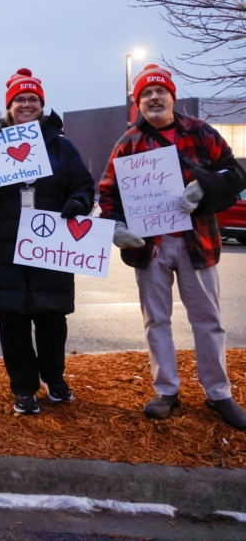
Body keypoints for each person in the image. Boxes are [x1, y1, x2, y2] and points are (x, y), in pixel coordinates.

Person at [99, 64, 246, 430]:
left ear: (171, 95)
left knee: (208, 321)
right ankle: (166, 390)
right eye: (145, 94)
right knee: (156, 321)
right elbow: (107, 193)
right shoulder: (128, 143)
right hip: (150, 247)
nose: (153, 98)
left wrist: (204, 187)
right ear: (138, 102)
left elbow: (235, 174)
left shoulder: (200, 132)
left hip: (197, 241)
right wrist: (115, 226)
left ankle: (218, 392)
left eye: (159, 91)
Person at [0, 69, 95, 415]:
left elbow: (84, 185)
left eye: (32, 99)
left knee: (53, 320)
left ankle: (54, 378)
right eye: (20, 99)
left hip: (49, 244)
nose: (26, 104)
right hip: (2, 245)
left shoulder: (62, 147)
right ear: (10, 105)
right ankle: (23, 387)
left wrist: (79, 202)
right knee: (12, 323)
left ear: (42, 104)